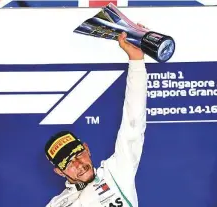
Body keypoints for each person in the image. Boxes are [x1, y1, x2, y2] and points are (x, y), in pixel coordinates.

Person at [44, 27, 148, 207]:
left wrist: (137, 61)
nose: (78, 164)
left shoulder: (115, 172)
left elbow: (134, 120)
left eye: (78, 154)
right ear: (60, 172)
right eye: (67, 162)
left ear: (87, 149)